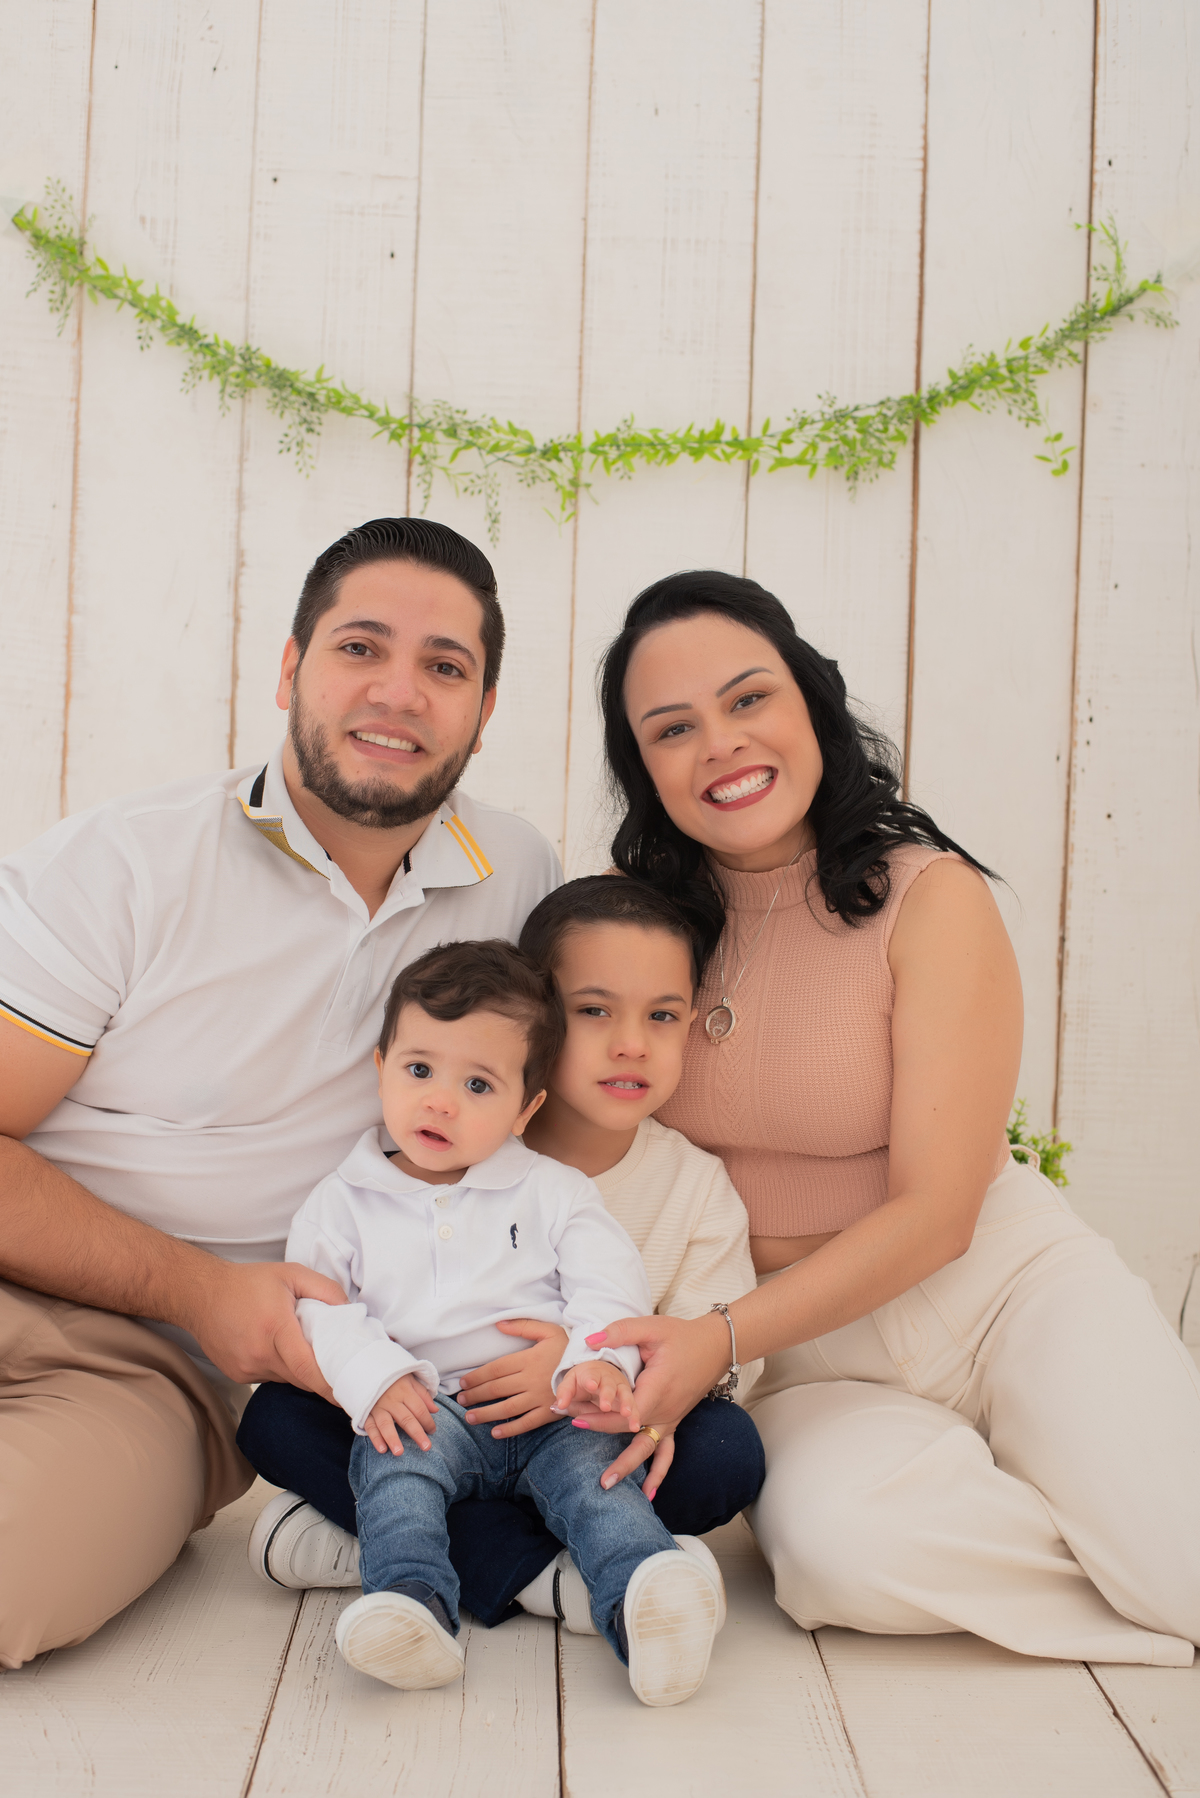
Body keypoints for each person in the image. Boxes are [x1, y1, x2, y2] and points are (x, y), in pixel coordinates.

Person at [562, 568, 1200, 1668]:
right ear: (643, 769)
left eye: (748, 698)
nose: (720, 743)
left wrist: (714, 1334)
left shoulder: (928, 896)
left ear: (811, 701)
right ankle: (1123, 1578)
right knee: (837, 1555)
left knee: (1183, 1557)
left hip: (996, 1289)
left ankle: (1148, 1560)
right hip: (799, 1356)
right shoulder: (628, 935)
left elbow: (941, 1215)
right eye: (672, 728)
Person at [0, 517, 560, 1670]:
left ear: (484, 710)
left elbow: (581, 1118)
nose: (399, 691)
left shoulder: (521, 882)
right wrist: (198, 1284)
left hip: (143, 1370)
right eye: (361, 647)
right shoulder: (128, 862)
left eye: (445, 666)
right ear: (291, 666)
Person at [240, 875, 765, 1634]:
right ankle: (544, 1578)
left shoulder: (654, 1186)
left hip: (577, 1427)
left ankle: (382, 1544)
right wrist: (383, 1378)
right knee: (277, 1419)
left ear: (523, 1099)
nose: (630, 1042)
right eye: (594, 1010)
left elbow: (702, 1347)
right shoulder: (361, 1188)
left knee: (724, 1450)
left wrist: (582, 1366)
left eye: (662, 1016)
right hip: (424, 1419)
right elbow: (320, 1308)